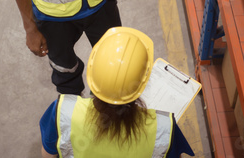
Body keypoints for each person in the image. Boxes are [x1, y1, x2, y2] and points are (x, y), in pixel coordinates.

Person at [39, 27, 195, 158]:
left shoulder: (62, 112)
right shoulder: (163, 129)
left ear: (93, 71)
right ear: (144, 81)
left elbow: (48, 155)